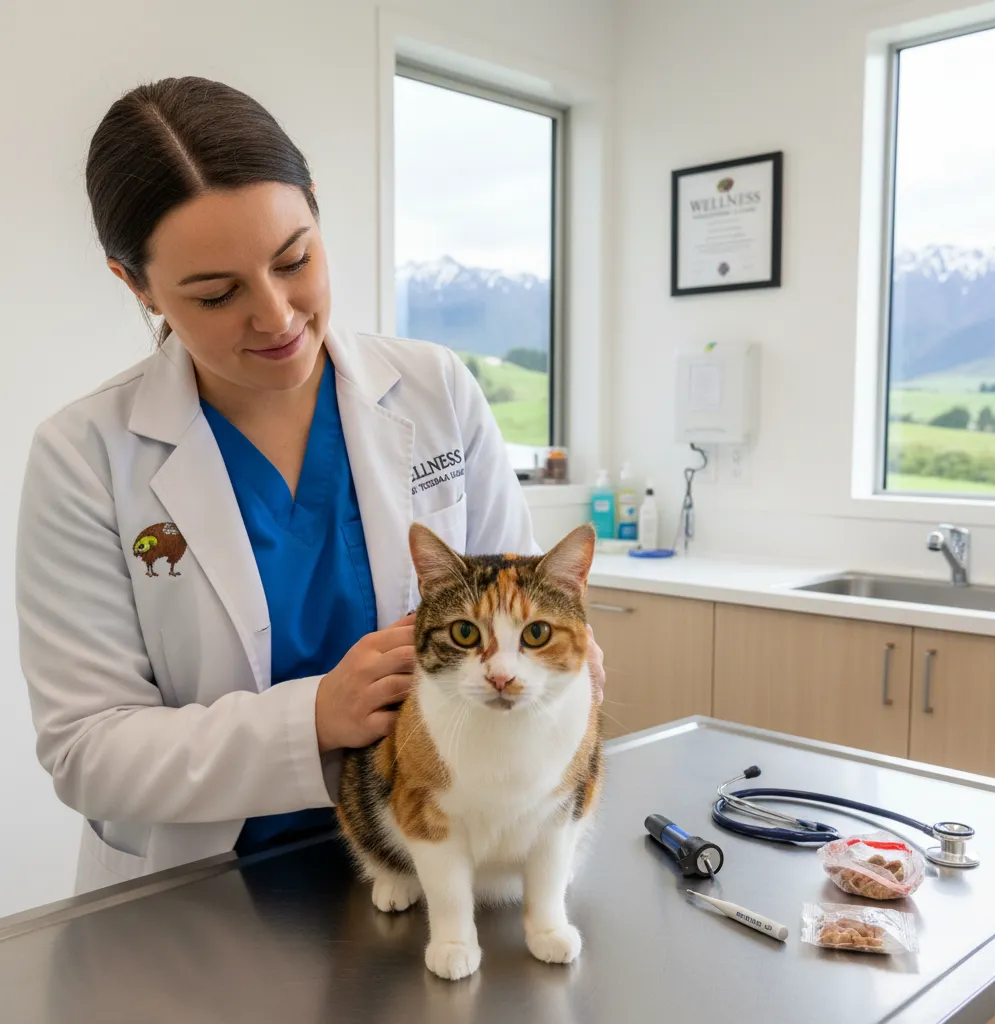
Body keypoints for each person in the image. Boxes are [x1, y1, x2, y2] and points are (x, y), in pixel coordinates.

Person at [15, 77, 605, 894]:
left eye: (294, 259)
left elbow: (533, 602)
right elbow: (88, 750)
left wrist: (558, 668)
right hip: (204, 900)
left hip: (443, 855)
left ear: (317, 211)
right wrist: (314, 719)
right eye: (217, 293)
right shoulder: (86, 456)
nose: (278, 316)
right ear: (136, 285)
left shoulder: (434, 391)